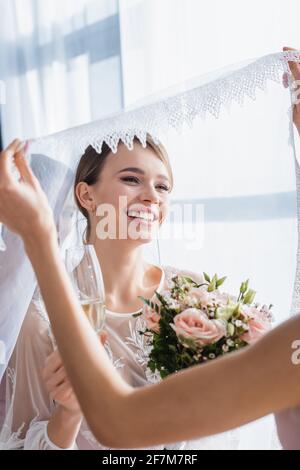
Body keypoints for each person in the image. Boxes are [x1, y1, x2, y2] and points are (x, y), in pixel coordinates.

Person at [0, 138, 299, 450]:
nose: (151, 198)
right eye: (131, 179)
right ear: (86, 195)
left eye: (163, 187)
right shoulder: (42, 317)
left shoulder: (194, 292)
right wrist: (69, 413)